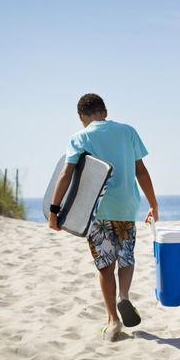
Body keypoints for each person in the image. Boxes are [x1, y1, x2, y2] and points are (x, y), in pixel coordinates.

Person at [48, 93, 158, 341]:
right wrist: (154, 203)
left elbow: (67, 174)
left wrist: (54, 211)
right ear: (105, 112)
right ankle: (125, 297)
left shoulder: (80, 137)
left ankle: (112, 321)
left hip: (97, 210)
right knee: (126, 256)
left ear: (81, 117)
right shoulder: (128, 131)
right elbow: (141, 170)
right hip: (127, 207)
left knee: (105, 265)